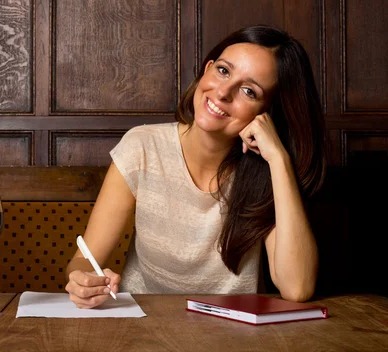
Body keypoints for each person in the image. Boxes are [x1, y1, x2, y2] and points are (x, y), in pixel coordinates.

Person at [65, 25, 326, 308]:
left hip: (232, 335)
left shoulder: (267, 173)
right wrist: (82, 280)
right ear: (207, 68)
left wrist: (279, 158)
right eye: (224, 71)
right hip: (143, 327)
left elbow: (297, 288)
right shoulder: (142, 146)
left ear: (267, 114)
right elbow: (82, 259)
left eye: (249, 91)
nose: (223, 92)